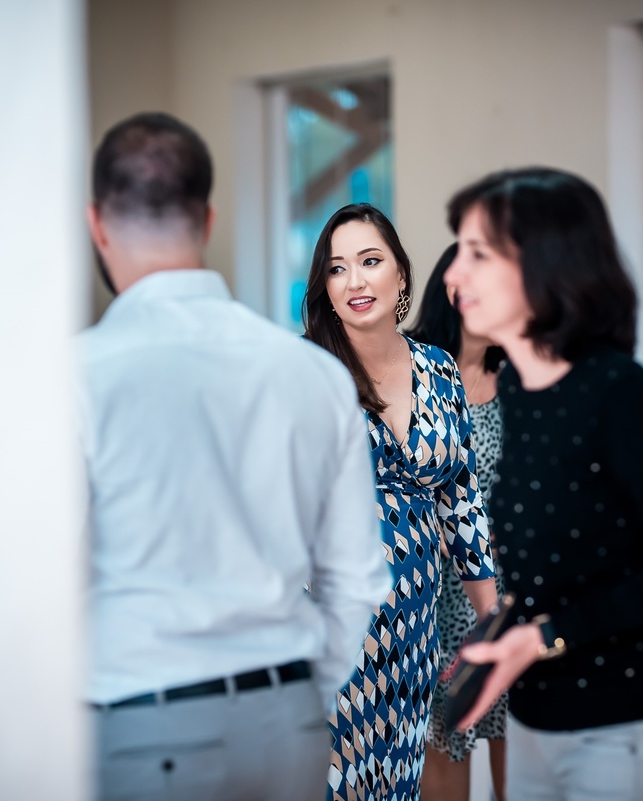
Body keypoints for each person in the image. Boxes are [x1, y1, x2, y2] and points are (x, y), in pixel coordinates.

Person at [79, 112, 392, 801]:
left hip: (140, 716)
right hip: (290, 721)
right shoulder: (310, 373)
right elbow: (358, 577)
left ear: (97, 223)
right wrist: (298, 689)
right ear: (209, 218)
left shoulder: (76, 377)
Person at [441, 167, 643, 801]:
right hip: (531, 724)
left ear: (544, 264)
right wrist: (499, 638)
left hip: (619, 731)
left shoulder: (618, 393)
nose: (452, 275)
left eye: (478, 254)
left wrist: (547, 636)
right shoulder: (517, 388)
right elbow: (573, 561)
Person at [302, 203, 499, 801]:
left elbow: (461, 504)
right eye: (338, 269)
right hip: (332, 630)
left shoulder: (439, 370)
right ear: (326, 289)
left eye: (370, 261)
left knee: (398, 787)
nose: (356, 281)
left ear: (402, 275)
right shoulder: (307, 374)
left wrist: (493, 622)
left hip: (415, 633)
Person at [406, 242, 509, 801]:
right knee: (444, 740)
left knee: (513, 740)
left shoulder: (518, 377)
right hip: (436, 591)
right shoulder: (413, 373)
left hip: (509, 590)